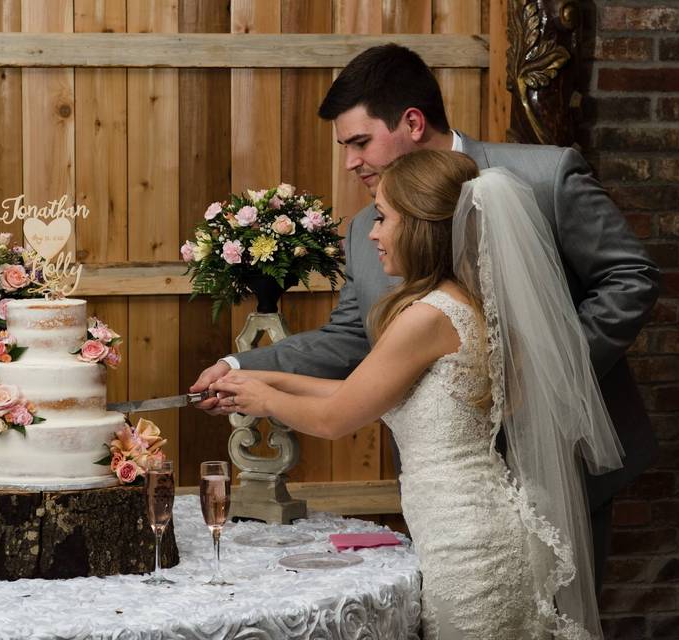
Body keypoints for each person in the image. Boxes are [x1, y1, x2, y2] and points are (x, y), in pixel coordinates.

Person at [192, 43, 660, 591]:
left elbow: (631, 279)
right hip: (451, 497)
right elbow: (350, 337)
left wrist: (544, 378)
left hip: (564, 459)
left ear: (412, 122)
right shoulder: (369, 228)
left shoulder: (542, 177)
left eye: (360, 142)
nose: (350, 162)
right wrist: (239, 363)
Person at [212, 149, 624, 638]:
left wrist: (261, 402)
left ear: (421, 226)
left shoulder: (427, 316)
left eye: (383, 217)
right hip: (479, 525)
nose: (372, 233)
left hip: (466, 546)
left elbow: (335, 418)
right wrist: (263, 380)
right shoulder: (462, 302)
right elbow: (361, 389)